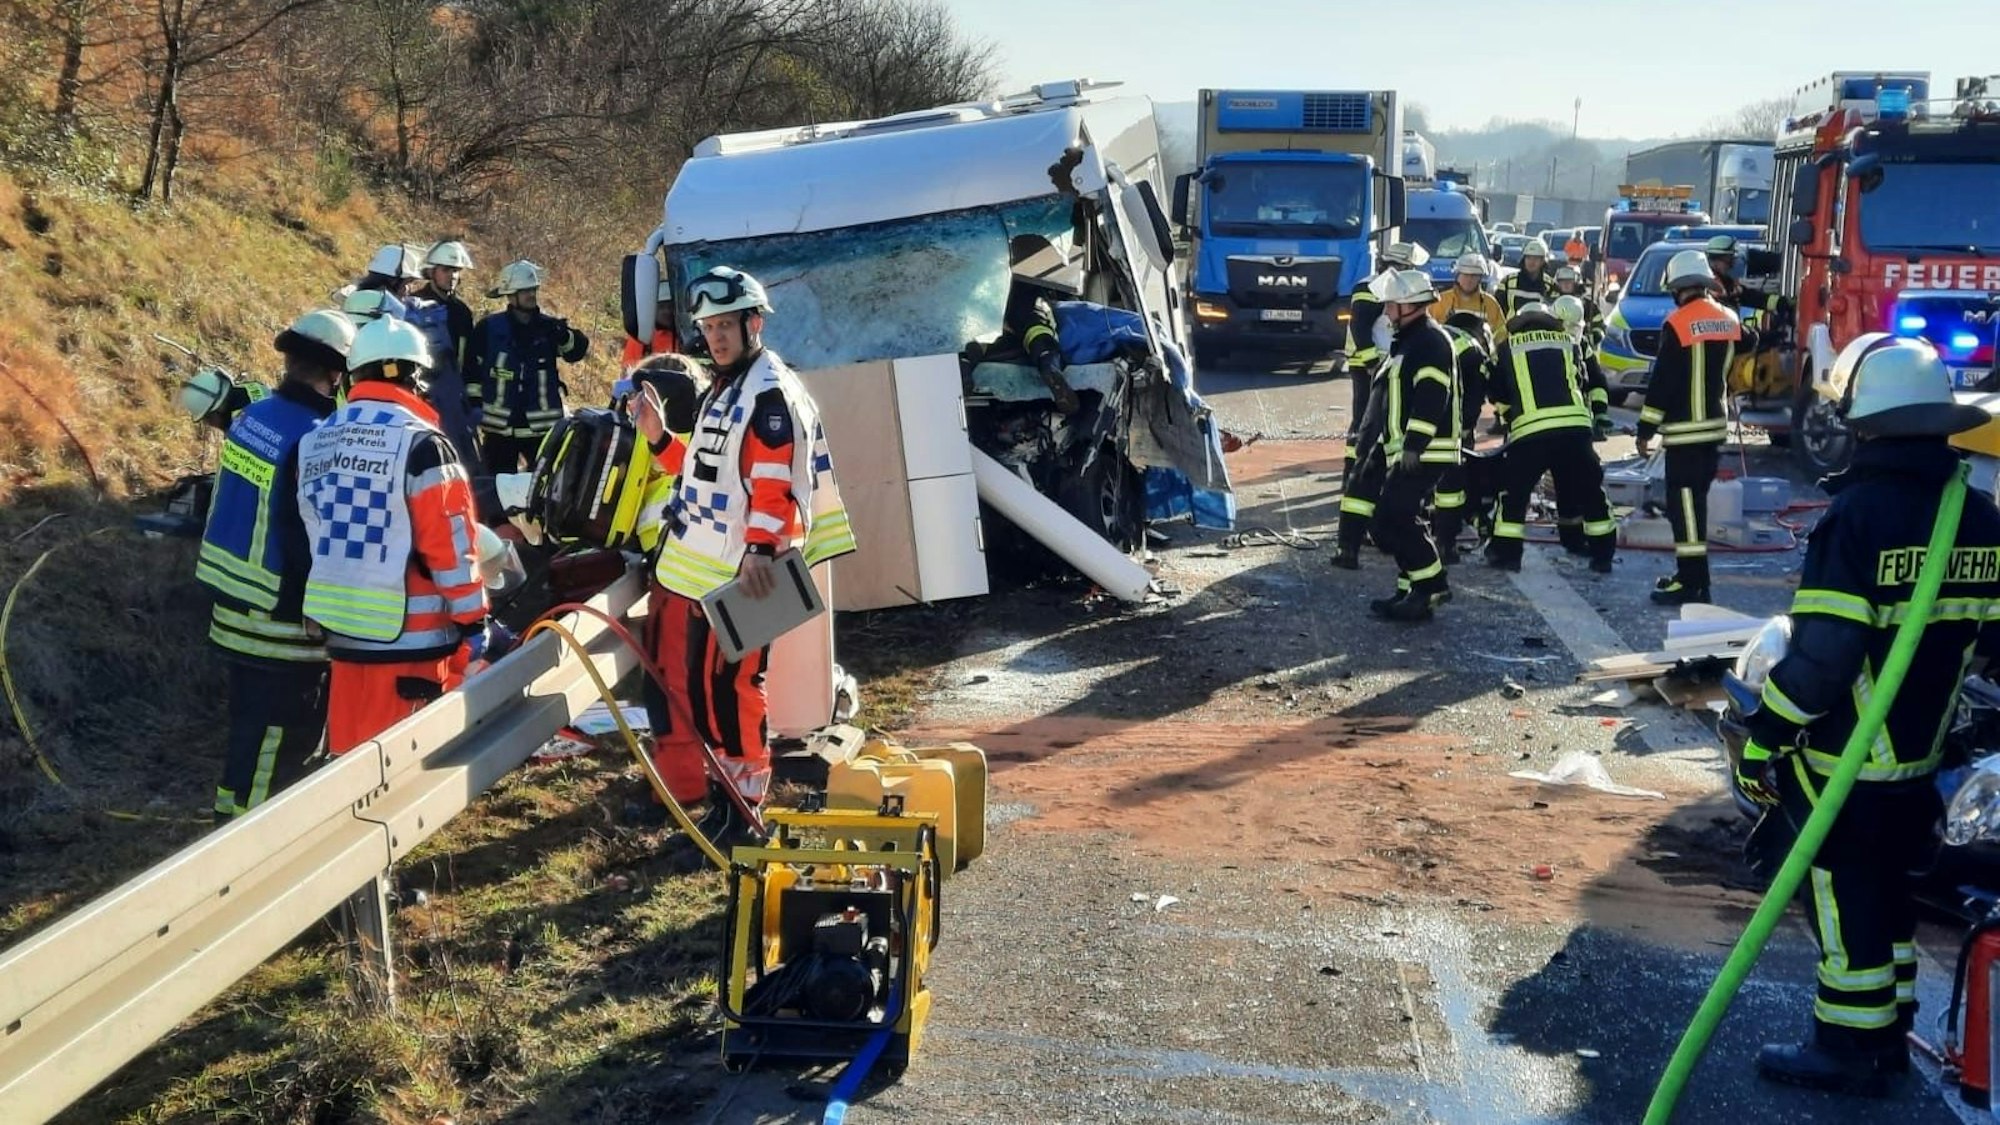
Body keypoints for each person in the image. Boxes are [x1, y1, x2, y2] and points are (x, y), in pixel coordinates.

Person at [1740, 335, 2000, 1096]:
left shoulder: (1856, 516)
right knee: (1888, 900)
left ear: (1865, 422)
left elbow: (1823, 658)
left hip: (1846, 758)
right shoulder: (1979, 515)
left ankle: (1847, 1050)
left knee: (1844, 899)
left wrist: (1765, 737)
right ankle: (1886, 1032)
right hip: (1920, 759)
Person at [628, 267, 854, 830]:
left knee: (732, 692)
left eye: (726, 325)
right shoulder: (725, 389)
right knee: (711, 695)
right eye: (708, 327)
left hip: (747, 575)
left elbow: (774, 481)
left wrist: (758, 549)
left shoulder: (768, 393)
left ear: (753, 323)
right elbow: (705, 480)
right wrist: (658, 438)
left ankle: (744, 811)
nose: (716, 337)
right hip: (713, 576)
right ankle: (728, 802)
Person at [297, 317, 494, 755]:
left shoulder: (318, 439)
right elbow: (451, 547)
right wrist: (473, 621)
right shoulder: (422, 445)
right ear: (415, 375)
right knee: (399, 776)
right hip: (413, 646)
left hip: (342, 634)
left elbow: (314, 527)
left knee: (348, 763)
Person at [197, 310, 352, 819]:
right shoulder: (315, 436)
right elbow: (300, 532)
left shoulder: (255, 418)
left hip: (233, 606)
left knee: (249, 731)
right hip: (279, 622)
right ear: (336, 373)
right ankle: (250, 847)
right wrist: (322, 610)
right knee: (280, 745)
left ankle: (228, 822)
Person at [1337, 269, 1459, 622]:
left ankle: (1432, 585)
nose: (1386, 309)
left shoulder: (1429, 342)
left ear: (1410, 305)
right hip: (1403, 448)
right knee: (1394, 519)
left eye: (1392, 303)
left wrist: (1414, 445)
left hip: (1425, 450)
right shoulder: (1407, 341)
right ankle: (1412, 591)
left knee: (1394, 517)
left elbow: (1432, 395)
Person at [1636, 250, 1740, 605]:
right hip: (1714, 431)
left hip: (1685, 433)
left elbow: (1662, 382)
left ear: (1677, 287)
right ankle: (1694, 577)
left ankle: (1692, 584)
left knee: (1684, 508)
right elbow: (1750, 342)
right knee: (1696, 506)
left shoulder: (1678, 323)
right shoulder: (1728, 318)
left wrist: (1645, 429)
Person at [1483, 300, 1617, 574]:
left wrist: (1510, 415)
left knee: (1514, 497)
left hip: (1531, 432)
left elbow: (1496, 391)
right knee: (1590, 492)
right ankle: (1601, 555)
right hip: (1574, 431)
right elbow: (1583, 380)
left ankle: (1507, 555)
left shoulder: (1507, 348)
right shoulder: (1569, 342)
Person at [465, 260, 590, 471]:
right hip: (499, 430)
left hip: (541, 430)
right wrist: (475, 404)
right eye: (525, 291)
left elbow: (576, 352)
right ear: (510, 295)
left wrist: (565, 335)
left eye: (533, 289)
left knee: (544, 489)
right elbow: (471, 370)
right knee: (496, 487)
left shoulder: (549, 328)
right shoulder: (488, 329)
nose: (531, 295)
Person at [1344, 242, 1430, 468]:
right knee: (1364, 417)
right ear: (1398, 266)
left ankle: (1370, 465)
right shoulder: (1369, 287)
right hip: (1366, 364)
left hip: (1386, 363)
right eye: (1409, 267)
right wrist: (1372, 362)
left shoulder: (1392, 289)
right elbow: (1360, 327)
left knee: (1383, 417)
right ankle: (1353, 469)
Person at [406, 240, 484, 475]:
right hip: (424, 394)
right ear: (431, 272)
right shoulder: (414, 307)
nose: (452, 276)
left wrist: (474, 402)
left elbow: (470, 361)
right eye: (446, 270)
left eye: (456, 271)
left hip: (455, 397)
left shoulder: (462, 312)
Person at [1431, 309, 1496, 561]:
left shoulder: (1433, 336)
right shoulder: (1472, 349)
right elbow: (1474, 397)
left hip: (1409, 420)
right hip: (1447, 427)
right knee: (1450, 485)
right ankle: (1445, 545)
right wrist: (1466, 429)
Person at [1430, 254, 1507, 344]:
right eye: (1465, 275)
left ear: (1480, 278)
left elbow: (1501, 336)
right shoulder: (1441, 301)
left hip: (1482, 355)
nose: (1469, 280)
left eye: (1474, 276)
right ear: (1457, 275)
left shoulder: (1490, 304)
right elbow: (1430, 332)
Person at [623, 278, 683, 372]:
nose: (666, 311)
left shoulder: (688, 334)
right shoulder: (641, 336)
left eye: (670, 306)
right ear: (652, 309)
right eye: (661, 307)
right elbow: (627, 372)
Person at [1552, 265, 1606, 353]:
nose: (1566, 284)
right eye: (1562, 281)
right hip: (1557, 349)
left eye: (1569, 281)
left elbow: (1600, 327)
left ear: (1577, 282)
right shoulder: (1552, 303)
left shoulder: (1589, 305)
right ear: (1558, 283)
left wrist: (1592, 338)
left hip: (1584, 350)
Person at [1497, 238, 1554, 319]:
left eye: (1536, 258)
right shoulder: (1508, 281)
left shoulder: (1550, 285)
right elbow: (1496, 307)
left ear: (1542, 261)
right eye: (1528, 257)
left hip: (1538, 330)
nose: (1531, 262)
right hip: (1512, 329)